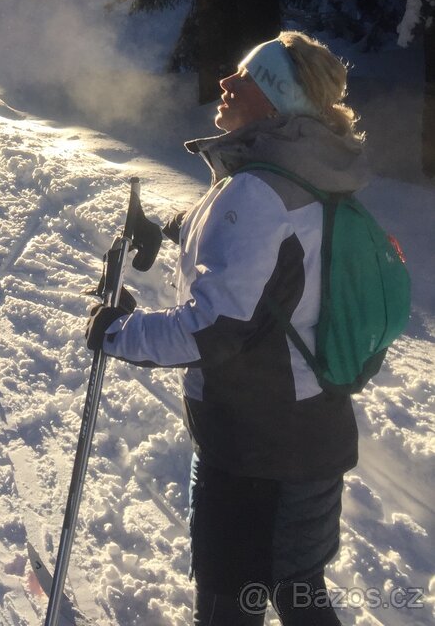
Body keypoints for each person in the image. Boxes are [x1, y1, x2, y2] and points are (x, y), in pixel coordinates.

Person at [87, 31, 368, 625]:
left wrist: (119, 331)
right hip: (309, 431)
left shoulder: (256, 191)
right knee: (299, 592)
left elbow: (210, 330)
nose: (225, 82)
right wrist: (169, 227)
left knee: (230, 606)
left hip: (256, 452)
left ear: (274, 100)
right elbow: (273, 259)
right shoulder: (308, 171)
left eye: (242, 77)